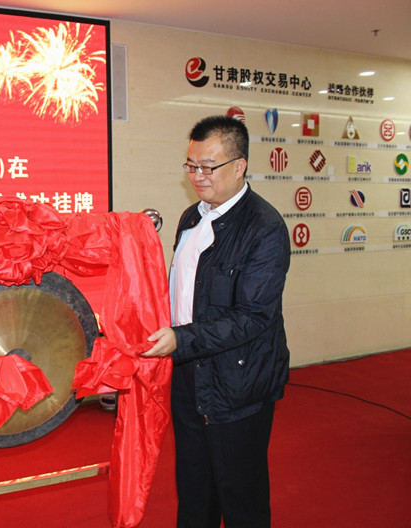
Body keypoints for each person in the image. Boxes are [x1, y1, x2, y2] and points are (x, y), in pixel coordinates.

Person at [145, 115, 290, 527]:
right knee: (194, 492)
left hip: (237, 383)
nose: (197, 176)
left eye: (208, 166)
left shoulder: (265, 228)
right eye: (191, 165)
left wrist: (181, 339)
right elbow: (184, 294)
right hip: (188, 377)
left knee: (240, 497)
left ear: (239, 165)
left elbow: (253, 317)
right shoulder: (191, 217)